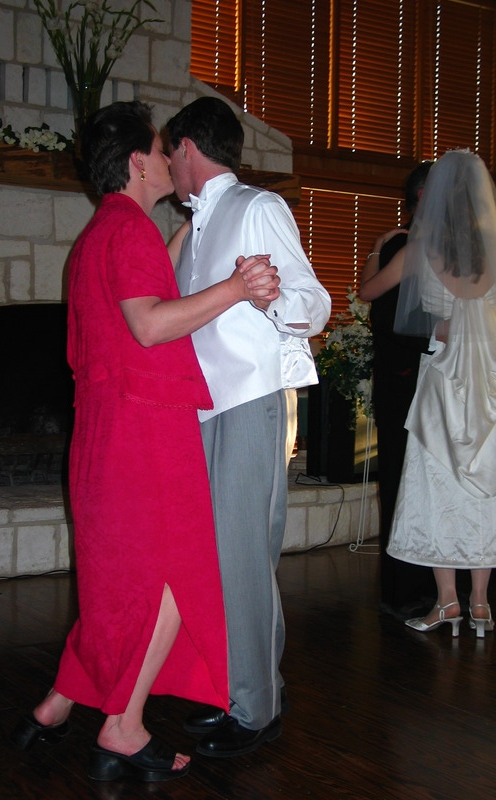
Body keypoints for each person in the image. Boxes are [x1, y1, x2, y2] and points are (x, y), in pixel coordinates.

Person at [10, 100, 281, 782]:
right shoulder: (129, 231)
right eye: (161, 151)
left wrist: (197, 228)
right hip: (144, 433)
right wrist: (236, 286)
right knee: (171, 576)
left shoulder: (102, 233)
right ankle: (123, 727)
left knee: (116, 582)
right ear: (138, 162)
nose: (168, 160)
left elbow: (143, 286)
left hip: (104, 431)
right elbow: (151, 324)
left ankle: (56, 705)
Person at [165, 97, 331, 757]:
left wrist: (273, 295)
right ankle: (252, 687)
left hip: (249, 402)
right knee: (225, 561)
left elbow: (313, 301)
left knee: (241, 559)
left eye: (169, 152)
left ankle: (254, 711)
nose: (167, 165)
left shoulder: (257, 206)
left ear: (186, 148)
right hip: (203, 409)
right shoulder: (195, 226)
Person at [360, 149, 496, 638]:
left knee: (437, 481)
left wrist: (376, 250)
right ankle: (480, 604)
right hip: (492, 383)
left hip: (443, 378)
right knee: (487, 480)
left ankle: (446, 602)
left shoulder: (418, 250)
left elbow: (369, 292)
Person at [359, 162, 436, 620]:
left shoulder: (441, 249)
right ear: (423, 197)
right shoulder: (402, 246)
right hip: (407, 383)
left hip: (434, 382)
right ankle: (407, 589)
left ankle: (435, 586)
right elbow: (382, 313)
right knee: (403, 481)